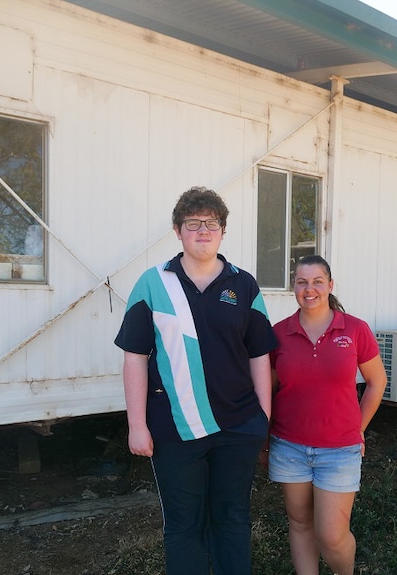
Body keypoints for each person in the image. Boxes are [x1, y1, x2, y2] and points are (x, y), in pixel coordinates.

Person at [114, 186, 277, 575]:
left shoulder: (245, 285)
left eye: (211, 223)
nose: (203, 231)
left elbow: (260, 355)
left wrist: (263, 420)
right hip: (174, 428)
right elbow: (134, 358)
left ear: (222, 231)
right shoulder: (153, 284)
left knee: (232, 520)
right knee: (184, 526)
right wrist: (137, 425)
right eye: (193, 223)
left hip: (237, 427)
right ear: (177, 230)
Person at [268, 255, 387, 575]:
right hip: (289, 446)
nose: (310, 289)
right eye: (302, 282)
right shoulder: (279, 334)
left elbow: (378, 382)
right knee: (301, 524)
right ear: (293, 286)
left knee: (332, 535)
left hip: (339, 449)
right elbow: (270, 390)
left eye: (317, 282)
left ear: (330, 285)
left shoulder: (355, 329)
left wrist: (358, 428)